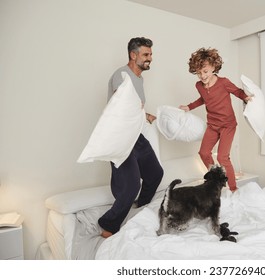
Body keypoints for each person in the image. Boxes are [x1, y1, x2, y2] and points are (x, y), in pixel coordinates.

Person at [98, 37, 164, 238]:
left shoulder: (139, 78)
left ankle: (139, 208)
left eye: (151, 54)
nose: (150, 58)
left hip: (136, 135)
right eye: (146, 54)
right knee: (131, 185)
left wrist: (147, 115)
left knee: (155, 173)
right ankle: (108, 225)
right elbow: (122, 104)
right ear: (133, 55)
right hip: (119, 137)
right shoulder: (122, 74)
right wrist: (140, 113)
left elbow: (134, 108)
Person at [179, 47, 251, 192]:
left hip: (228, 125)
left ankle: (233, 189)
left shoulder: (223, 82)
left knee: (223, 157)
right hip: (212, 125)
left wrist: (246, 97)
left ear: (213, 67)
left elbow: (237, 91)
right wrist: (189, 107)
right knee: (204, 153)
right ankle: (216, 178)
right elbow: (203, 99)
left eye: (205, 72)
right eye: (199, 73)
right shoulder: (199, 85)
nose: (202, 76)